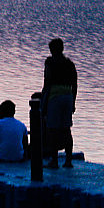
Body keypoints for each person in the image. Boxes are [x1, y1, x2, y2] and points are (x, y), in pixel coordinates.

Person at [41, 38, 77, 168]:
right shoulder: (69, 63)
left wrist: (43, 101)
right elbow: (75, 84)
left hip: (55, 96)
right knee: (66, 129)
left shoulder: (50, 62)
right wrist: (73, 101)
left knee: (52, 130)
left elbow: (47, 81)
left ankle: (54, 161)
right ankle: (68, 161)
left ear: (52, 50)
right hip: (68, 96)